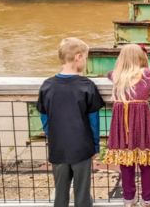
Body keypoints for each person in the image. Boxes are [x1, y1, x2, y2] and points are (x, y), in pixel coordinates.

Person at [37, 37, 104, 207]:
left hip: (58, 148)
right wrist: (95, 146)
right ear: (78, 57)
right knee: (82, 193)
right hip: (82, 148)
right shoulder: (87, 86)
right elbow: (93, 120)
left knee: (60, 192)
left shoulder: (47, 86)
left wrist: (51, 135)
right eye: (86, 57)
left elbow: (44, 116)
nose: (86, 61)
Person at [103, 44, 150, 207]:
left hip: (121, 126)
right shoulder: (147, 74)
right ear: (141, 58)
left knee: (126, 163)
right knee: (147, 161)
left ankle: (129, 199)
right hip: (141, 124)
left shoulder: (116, 76)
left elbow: (108, 73)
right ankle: (148, 199)